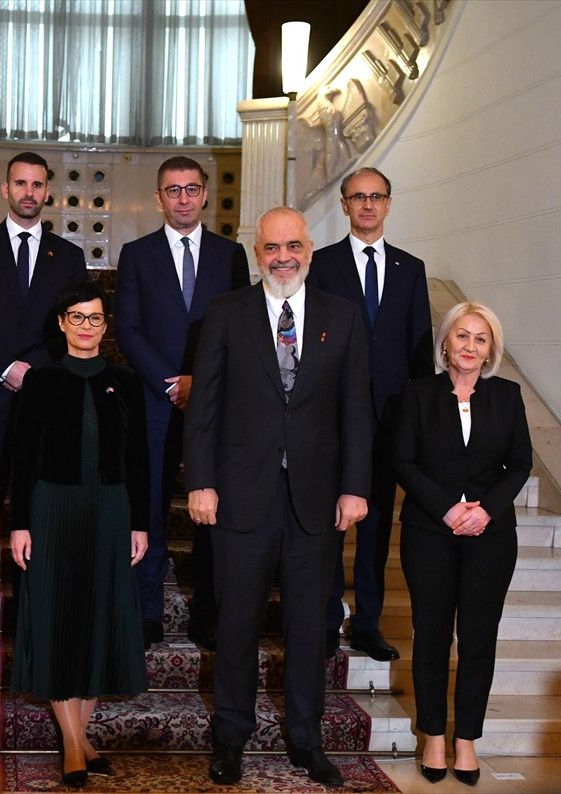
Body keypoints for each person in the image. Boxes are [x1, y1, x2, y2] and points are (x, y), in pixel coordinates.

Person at [184, 207, 373, 787]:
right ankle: (231, 738)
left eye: (293, 246)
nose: (282, 257)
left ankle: (307, 740)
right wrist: (200, 481)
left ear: (310, 251)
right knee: (236, 624)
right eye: (271, 247)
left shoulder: (343, 316)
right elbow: (204, 405)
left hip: (315, 502)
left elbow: (356, 410)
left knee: (309, 628)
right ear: (257, 253)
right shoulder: (225, 313)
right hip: (241, 498)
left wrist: (355, 487)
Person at [8, 281, 149, 788]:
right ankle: (73, 743)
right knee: (58, 618)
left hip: (110, 509)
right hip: (53, 508)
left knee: (98, 617)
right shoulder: (40, 381)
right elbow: (21, 458)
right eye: (77, 316)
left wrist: (140, 523)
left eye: (95, 317)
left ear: (105, 326)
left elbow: (139, 459)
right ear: (62, 323)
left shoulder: (125, 381)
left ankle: (80, 737)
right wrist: (20, 523)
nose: (86, 326)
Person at [0, 152, 88, 653]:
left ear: (47, 191)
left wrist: (37, 371)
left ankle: (35, 616)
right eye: (20, 183)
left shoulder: (68, 256)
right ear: (5, 189)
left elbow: (74, 324)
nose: (29, 192)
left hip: (45, 402)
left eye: (37, 184)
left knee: (41, 512)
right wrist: (7, 367)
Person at [392, 301, 532, 786]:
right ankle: (433, 735)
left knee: (478, 640)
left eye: (481, 338)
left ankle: (467, 739)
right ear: (446, 342)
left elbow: (520, 463)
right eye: (462, 335)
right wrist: (448, 509)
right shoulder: (417, 394)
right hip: (429, 532)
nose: (470, 346)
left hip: (491, 537)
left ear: (490, 349)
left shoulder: (508, 396)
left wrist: (485, 509)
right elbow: (403, 461)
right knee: (431, 635)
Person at [114, 155, 250, 650]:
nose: (184, 198)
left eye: (192, 189)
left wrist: (203, 383)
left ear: (205, 194)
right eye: (173, 190)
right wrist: (171, 384)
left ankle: (208, 616)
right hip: (154, 403)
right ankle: (147, 612)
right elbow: (127, 328)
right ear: (159, 198)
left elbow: (243, 327)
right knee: (148, 510)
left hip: (216, 406)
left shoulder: (230, 255)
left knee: (214, 511)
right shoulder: (136, 254)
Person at [307, 166, 432, 662]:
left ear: (388, 204)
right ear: (344, 205)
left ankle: (367, 624)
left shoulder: (411, 268)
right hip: (333, 415)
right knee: (331, 521)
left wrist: (420, 420)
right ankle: (325, 618)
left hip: (390, 419)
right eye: (358, 197)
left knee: (377, 525)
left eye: (376, 197)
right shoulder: (322, 264)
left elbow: (420, 348)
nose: (367, 205)